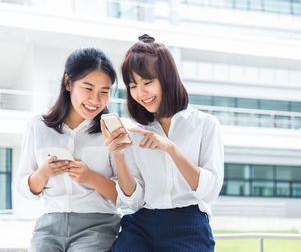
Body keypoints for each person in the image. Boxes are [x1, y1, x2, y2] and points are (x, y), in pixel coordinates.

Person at [101, 34, 224, 252]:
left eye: (147, 82)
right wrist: (119, 157)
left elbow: (210, 191)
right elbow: (133, 201)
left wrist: (171, 148)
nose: (141, 93)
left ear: (167, 78)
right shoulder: (134, 131)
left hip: (189, 222)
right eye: (133, 86)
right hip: (142, 223)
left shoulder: (205, 124)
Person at [15, 47, 120, 252]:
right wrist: (44, 172)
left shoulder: (112, 130)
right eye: (88, 89)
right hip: (48, 227)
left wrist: (90, 177)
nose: (95, 100)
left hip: (98, 226)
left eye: (104, 92)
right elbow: (23, 188)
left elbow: (126, 196)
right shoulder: (37, 126)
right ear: (67, 83)